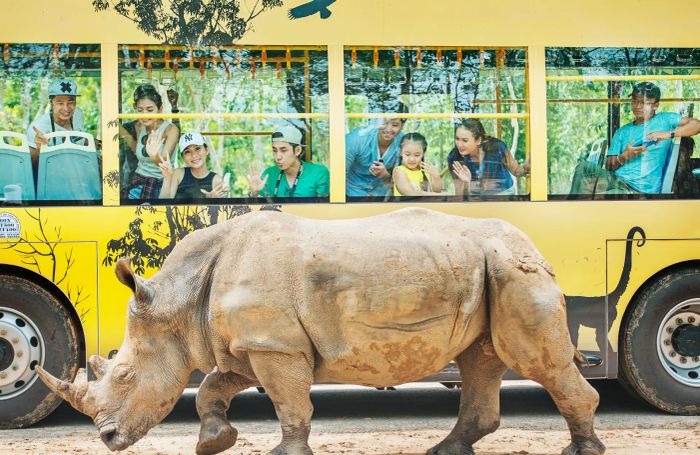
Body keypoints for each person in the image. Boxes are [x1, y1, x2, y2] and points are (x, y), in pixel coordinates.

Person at [570, 82, 700, 195]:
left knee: (604, 198)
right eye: (634, 101)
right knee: (583, 167)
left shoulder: (665, 120)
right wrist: (625, 155)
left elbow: (697, 125)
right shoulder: (622, 132)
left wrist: (668, 134)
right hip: (616, 181)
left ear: (656, 105)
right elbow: (609, 166)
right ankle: (573, 211)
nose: (637, 106)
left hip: (639, 190)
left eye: (644, 102)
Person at [121, 84, 179, 200]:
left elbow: (165, 166)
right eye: (140, 110)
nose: (145, 115)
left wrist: (154, 155)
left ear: (160, 109)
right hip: (137, 183)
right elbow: (137, 149)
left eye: (150, 110)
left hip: (161, 185)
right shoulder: (139, 126)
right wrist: (120, 129)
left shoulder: (170, 129)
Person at [447, 118, 529, 196]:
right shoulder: (454, 157)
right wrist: (466, 183)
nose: (459, 144)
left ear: (478, 140)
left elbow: (516, 170)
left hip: (503, 194)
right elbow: (460, 195)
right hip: (475, 198)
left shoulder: (497, 147)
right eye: (457, 139)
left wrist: (527, 167)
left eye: (465, 140)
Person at [246, 126, 329, 198]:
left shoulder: (319, 173)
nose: (278, 157)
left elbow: (325, 209)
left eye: (283, 150)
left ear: (297, 150)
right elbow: (259, 212)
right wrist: (254, 193)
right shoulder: (269, 174)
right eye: (275, 150)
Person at [345, 104, 408, 197]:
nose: (388, 129)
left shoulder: (404, 144)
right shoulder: (356, 139)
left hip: (382, 197)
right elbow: (339, 173)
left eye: (395, 125)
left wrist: (385, 175)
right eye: (384, 123)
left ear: (402, 126)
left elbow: (405, 182)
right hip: (352, 193)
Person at [26, 79, 87, 173]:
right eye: (60, 103)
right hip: (50, 178)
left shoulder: (78, 114)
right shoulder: (38, 127)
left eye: (70, 102)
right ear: (51, 103)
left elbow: (81, 140)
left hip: (78, 175)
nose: (66, 109)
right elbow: (30, 169)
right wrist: (39, 149)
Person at [158, 132, 227, 200]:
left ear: (206, 150)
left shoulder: (217, 180)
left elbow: (222, 209)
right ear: (183, 157)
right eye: (187, 152)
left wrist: (212, 201)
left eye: (197, 148)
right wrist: (167, 178)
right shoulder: (178, 174)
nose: (194, 155)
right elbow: (164, 205)